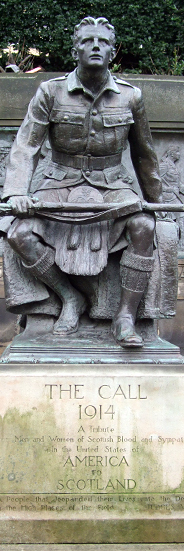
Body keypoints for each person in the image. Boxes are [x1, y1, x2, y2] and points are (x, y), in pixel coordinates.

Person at [1, 16, 163, 347]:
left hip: (112, 186)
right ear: (76, 48)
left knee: (145, 226)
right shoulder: (50, 91)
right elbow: (26, 147)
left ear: (112, 51)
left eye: (102, 42)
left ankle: (125, 318)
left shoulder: (131, 97)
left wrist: (155, 201)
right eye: (88, 41)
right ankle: (69, 297)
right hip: (57, 183)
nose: (95, 47)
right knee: (18, 233)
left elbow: (145, 155)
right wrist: (17, 192)